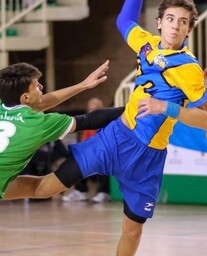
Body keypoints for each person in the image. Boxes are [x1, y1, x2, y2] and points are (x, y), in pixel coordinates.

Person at [2, 0, 207, 256]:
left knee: (132, 229)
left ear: (189, 30)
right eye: (169, 18)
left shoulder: (190, 69)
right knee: (49, 188)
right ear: (158, 23)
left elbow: (205, 121)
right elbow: (125, 18)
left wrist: (166, 108)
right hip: (115, 137)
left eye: (183, 22)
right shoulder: (146, 43)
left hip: (148, 156)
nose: (175, 25)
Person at [0, 60, 124, 201]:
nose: (41, 87)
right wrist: (132, 109)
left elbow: (39, 104)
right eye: (36, 85)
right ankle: (90, 157)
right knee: (40, 188)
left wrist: (82, 85)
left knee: (40, 189)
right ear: (25, 97)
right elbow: (89, 120)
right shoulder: (38, 123)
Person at [62, 97, 111, 203]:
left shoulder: (109, 122)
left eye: (96, 108)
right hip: (93, 152)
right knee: (77, 158)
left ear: (103, 108)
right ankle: (81, 191)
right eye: (90, 109)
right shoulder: (89, 123)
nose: (93, 111)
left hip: (106, 152)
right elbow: (85, 142)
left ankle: (104, 193)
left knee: (106, 158)